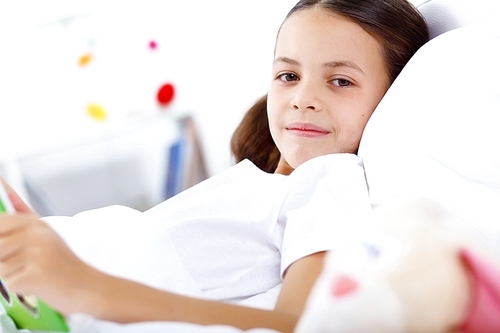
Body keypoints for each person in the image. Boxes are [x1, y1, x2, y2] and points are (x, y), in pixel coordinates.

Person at [0, 1, 429, 332]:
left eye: (340, 81)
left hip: (79, 295)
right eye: (288, 76)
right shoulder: (261, 183)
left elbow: (301, 323)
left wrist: (85, 287)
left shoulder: (331, 180)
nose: (303, 98)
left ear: (390, 97)